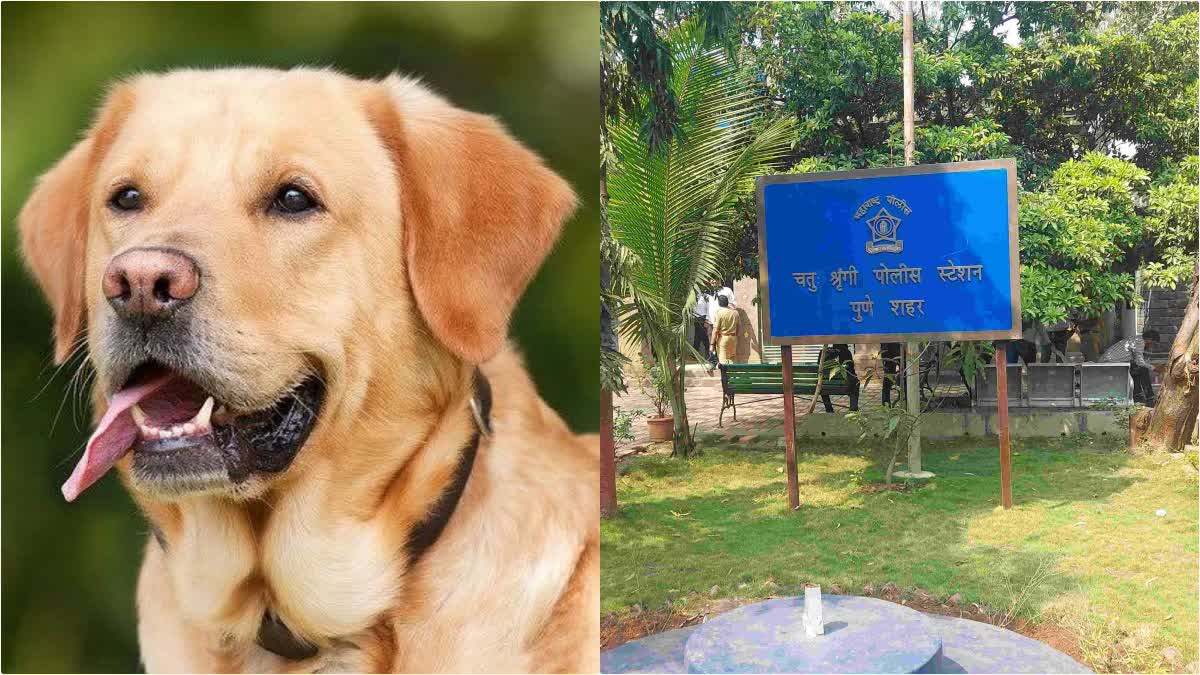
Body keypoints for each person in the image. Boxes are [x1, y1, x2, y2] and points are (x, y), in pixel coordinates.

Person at [1099, 329, 1159, 406]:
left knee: (1136, 368)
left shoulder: (1137, 339)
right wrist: (1155, 368)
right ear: (1149, 339)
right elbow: (1140, 362)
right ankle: (1149, 397)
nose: (1152, 347)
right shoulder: (1139, 343)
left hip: (1109, 363)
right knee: (1142, 369)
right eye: (1153, 344)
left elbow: (1137, 360)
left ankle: (1138, 396)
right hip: (1109, 365)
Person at [821, 343, 859, 413]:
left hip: (825, 386)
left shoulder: (824, 352)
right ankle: (853, 408)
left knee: (822, 384)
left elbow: (819, 370)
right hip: (844, 386)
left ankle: (829, 409)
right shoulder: (847, 352)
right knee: (856, 383)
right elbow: (851, 369)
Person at [711, 294, 739, 364]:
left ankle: (725, 375)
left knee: (723, 361)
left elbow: (715, 330)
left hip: (723, 338)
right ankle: (734, 374)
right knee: (732, 359)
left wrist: (712, 344)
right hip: (733, 338)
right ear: (727, 302)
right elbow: (738, 327)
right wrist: (735, 336)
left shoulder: (718, 313)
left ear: (719, 303)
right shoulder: (735, 313)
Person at [691, 290, 711, 359]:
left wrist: (707, 319)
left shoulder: (705, 296)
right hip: (696, 318)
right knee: (697, 336)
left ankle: (708, 353)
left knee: (703, 336)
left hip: (703, 318)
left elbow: (709, 308)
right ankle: (696, 354)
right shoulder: (692, 296)